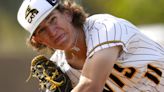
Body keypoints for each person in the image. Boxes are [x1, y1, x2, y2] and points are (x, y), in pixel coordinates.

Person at [17, 0, 164, 92]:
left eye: (53, 19)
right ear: (38, 40)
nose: (52, 31)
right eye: (42, 30)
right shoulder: (60, 70)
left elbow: (91, 86)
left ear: (67, 13)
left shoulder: (103, 28)